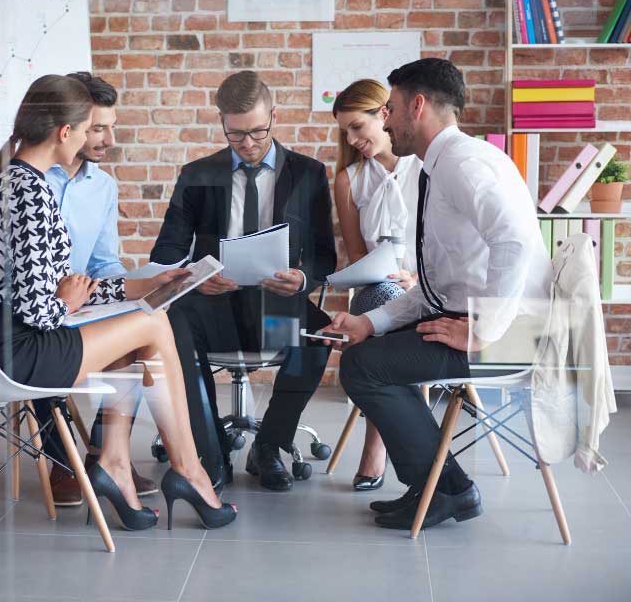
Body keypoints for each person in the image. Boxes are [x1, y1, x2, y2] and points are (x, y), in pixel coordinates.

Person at [0, 74, 236, 530]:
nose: (97, 138)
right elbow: (41, 311)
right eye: (90, 127)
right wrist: (67, 302)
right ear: (64, 132)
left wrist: (142, 287)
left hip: (7, 340)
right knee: (154, 326)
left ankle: (116, 464)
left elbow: (65, 286)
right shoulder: (32, 193)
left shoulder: (13, 179)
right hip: (22, 351)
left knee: (143, 321)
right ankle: (188, 471)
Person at [321, 58, 552, 529]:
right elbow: (434, 286)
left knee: (365, 368)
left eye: (391, 108)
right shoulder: (440, 165)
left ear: (417, 106)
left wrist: (486, 330)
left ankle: (444, 489)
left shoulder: (463, 164)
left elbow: (514, 241)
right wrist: (369, 322)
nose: (385, 120)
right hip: (481, 321)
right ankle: (441, 489)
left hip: (512, 335)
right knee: (370, 351)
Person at [151, 70, 337, 492]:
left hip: (275, 308)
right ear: (221, 122)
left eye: (257, 131)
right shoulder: (197, 174)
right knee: (174, 327)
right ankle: (209, 451)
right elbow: (165, 254)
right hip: (213, 306)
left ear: (274, 115)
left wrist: (304, 278)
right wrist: (198, 278)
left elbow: (325, 255)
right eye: (236, 135)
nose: (248, 144)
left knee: (316, 335)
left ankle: (268, 446)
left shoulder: (308, 174)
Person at [331, 79, 422, 491]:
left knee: (402, 303)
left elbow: (454, 247)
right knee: (387, 298)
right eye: (345, 131)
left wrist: (417, 280)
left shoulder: (428, 167)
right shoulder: (350, 180)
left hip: (430, 289)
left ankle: (378, 444)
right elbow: (357, 258)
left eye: (356, 126)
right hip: (375, 292)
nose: (352, 138)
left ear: (384, 114)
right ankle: (407, 452)